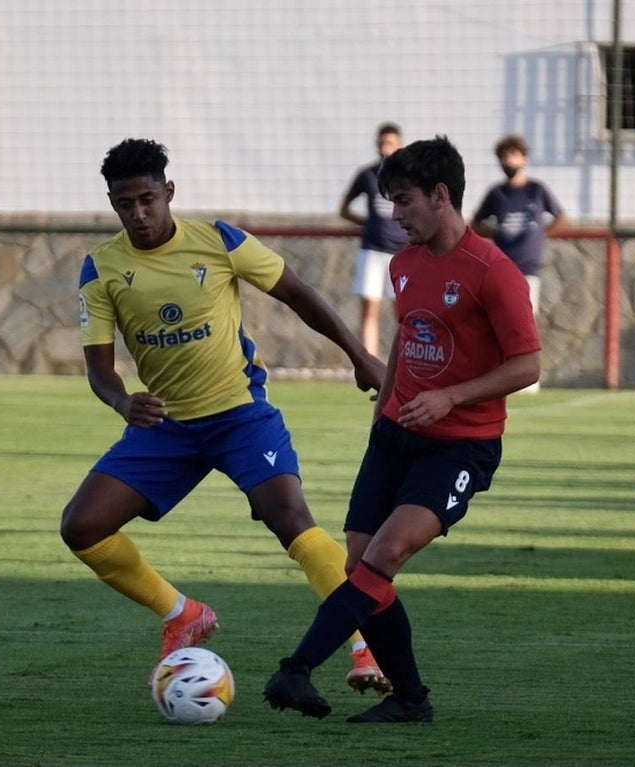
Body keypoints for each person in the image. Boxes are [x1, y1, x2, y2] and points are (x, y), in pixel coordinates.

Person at [62, 137, 391, 694]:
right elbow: (99, 368)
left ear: (168, 192)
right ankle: (181, 614)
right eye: (124, 204)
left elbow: (299, 294)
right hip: (165, 425)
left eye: (147, 199)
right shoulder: (102, 268)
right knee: (82, 527)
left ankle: (367, 648)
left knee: (291, 518)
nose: (138, 214)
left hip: (240, 414)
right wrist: (122, 402)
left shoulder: (218, 241)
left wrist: (360, 357)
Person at [263, 135, 542, 723]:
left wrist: (450, 397)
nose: (394, 215)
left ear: (442, 195)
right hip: (394, 436)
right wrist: (383, 407)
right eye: (390, 201)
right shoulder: (403, 262)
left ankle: (297, 667)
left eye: (405, 201)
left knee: (384, 554)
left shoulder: (494, 271)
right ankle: (410, 699)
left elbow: (528, 365)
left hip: (461, 446)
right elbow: (406, 337)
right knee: (360, 566)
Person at [470, 134, 566, 392]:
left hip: (528, 267)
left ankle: (529, 377)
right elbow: (476, 224)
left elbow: (560, 217)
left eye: (513, 155)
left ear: (524, 158)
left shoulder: (537, 190)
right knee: (499, 320)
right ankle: (501, 374)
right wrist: (494, 234)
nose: (508, 160)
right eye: (503, 156)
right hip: (502, 268)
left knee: (527, 319)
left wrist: (540, 235)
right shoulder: (496, 193)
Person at [338, 122, 409, 357]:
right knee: (370, 308)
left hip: (401, 252)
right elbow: (344, 208)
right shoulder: (367, 175)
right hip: (373, 248)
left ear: (400, 145)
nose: (385, 148)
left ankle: (405, 359)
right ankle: (370, 361)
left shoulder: (408, 177)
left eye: (390, 143)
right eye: (381, 143)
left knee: (403, 310)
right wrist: (365, 223)